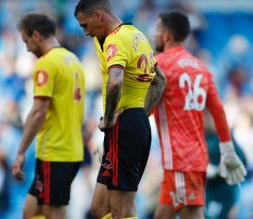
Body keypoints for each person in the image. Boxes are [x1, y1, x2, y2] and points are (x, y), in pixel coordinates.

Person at [74, 1, 167, 218]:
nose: (85, 32)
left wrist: (108, 120)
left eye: (85, 25)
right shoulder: (136, 35)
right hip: (132, 123)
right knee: (99, 208)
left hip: (123, 124)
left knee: (121, 210)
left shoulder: (115, 40)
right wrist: (140, 117)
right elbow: (160, 81)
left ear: (98, 15)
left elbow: (115, 81)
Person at [152, 10, 247, 219]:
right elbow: (219, 111)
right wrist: (228, 150)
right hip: (193, 156)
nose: (154, 35)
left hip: (180, 159)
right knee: (164, 215)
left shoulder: (162, 65)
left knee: (191, 215)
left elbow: (145, 109)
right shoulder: (201, 68)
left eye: (157, 31)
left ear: (166, 35)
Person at [12, 13, 85, 219]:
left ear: (36, 35)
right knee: (31, 211)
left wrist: (20, 152)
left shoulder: (47, 63)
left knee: (54, 214)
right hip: (69, 149)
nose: (26, 48)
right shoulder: (73, 60)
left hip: (56, 152)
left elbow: (38, 112)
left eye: (26, 41)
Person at [204, 110, 247, 219]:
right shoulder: (201, 136)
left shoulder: (224, 136)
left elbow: (242, 162)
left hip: (224, 192)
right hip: (206, 191)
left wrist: (219, 169)